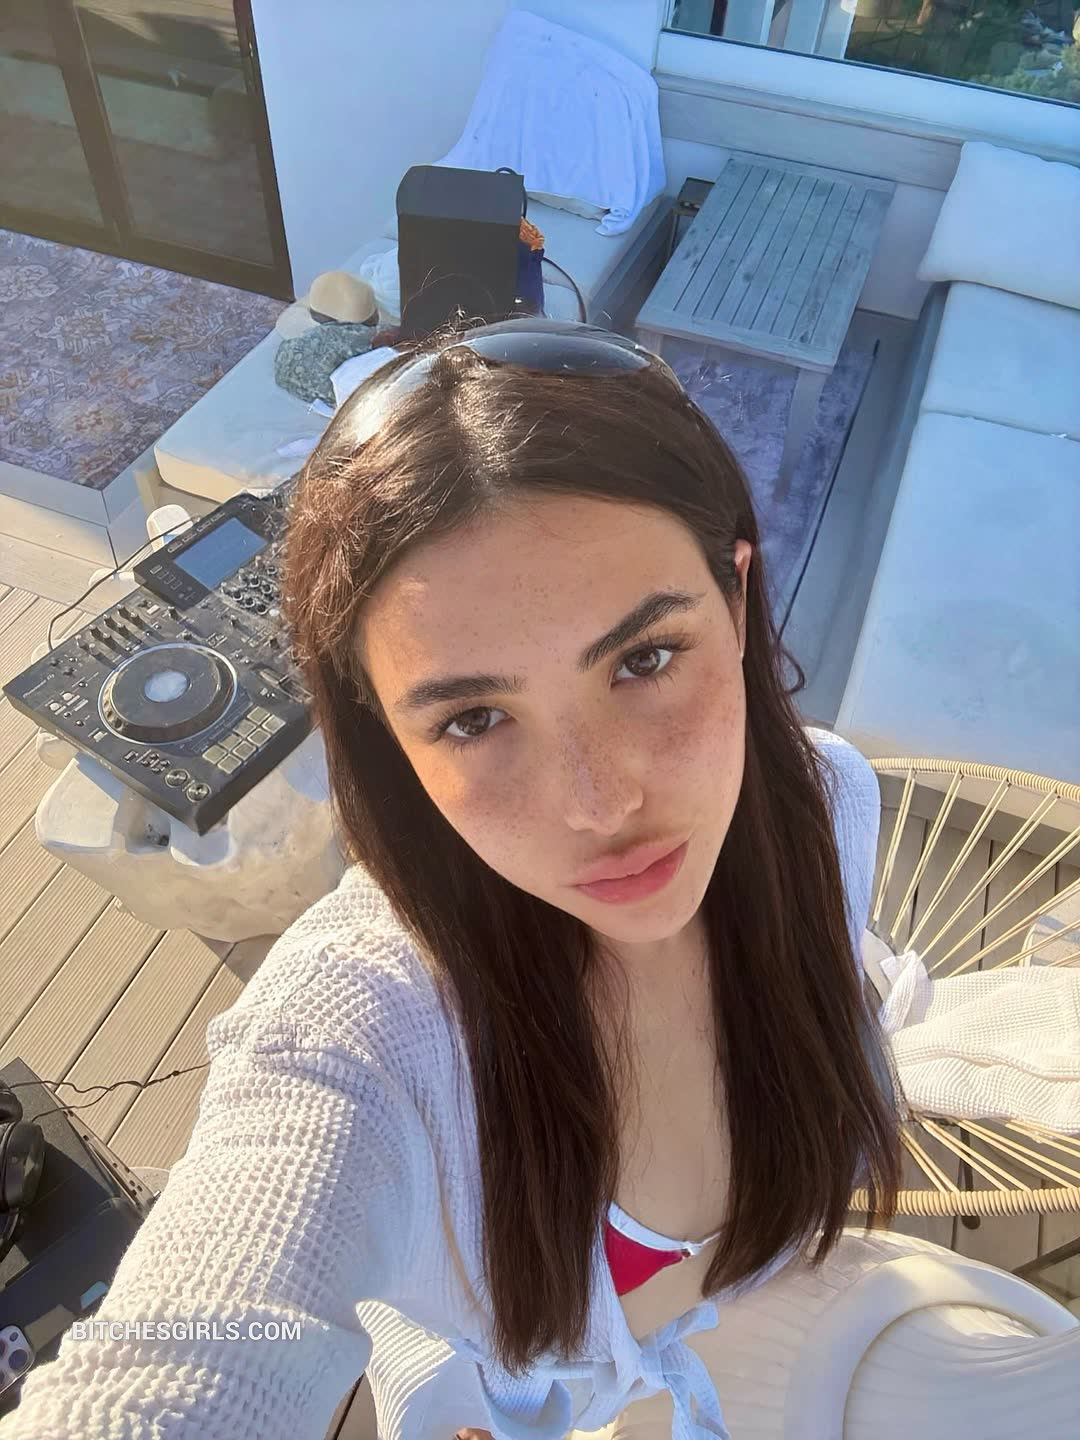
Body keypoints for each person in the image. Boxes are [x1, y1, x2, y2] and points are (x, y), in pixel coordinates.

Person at [1, 319, 903, 1439]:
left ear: (737, 594)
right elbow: (191, 1353)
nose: (598, 803)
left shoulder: (828, 804)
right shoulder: (368, 1024)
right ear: (391, 741)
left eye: (646, 658)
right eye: (474, 718)